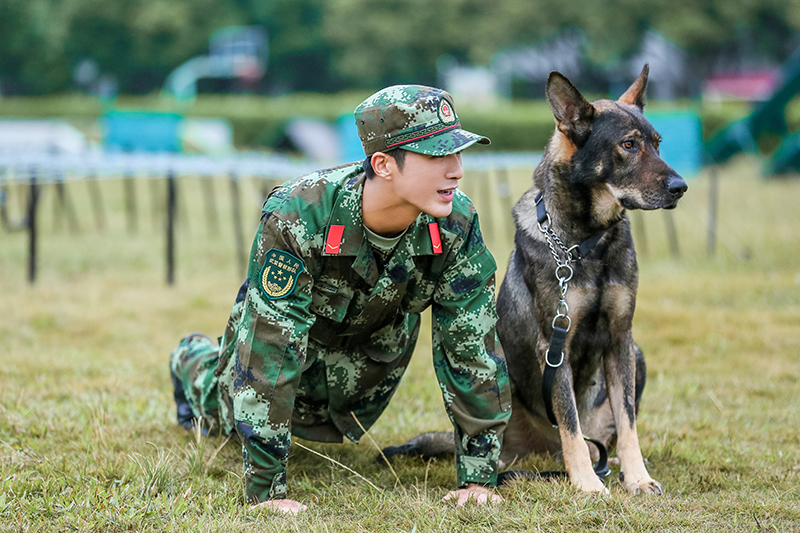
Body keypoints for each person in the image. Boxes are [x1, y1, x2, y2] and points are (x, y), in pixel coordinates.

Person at [169, 85, 512, 514]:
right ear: (384, 164)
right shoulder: (299, 215)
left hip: (365, 366)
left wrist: (479, 478)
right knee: (221, 414)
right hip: (281, 353)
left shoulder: (456, 225)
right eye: (437, 156)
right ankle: (192, 357)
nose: (457, 170)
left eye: (458, 154)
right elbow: (271, 349)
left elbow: (471, 347)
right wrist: (266, 492)